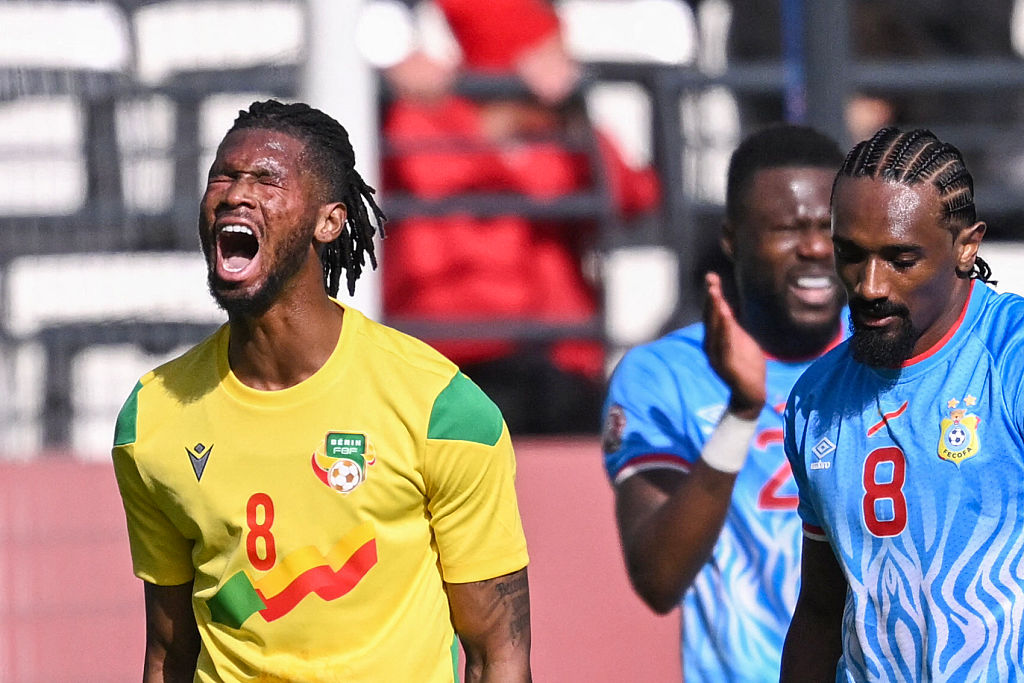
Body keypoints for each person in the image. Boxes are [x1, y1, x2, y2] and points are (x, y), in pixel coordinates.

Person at [111, 100, 531, 682]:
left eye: (265, 179)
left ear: (328, 221)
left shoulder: (439, 407)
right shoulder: (153, 418)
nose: (235, 193)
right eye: (223, 177)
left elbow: (497, 655)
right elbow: (167, 654)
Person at [602, 124, 847, 681]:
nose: (814, 247)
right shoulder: (664, 374)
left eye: (830, 228)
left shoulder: (888, 355)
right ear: (732, 239)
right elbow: (659, 579)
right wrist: (741, 412)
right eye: (788, 228)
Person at [781, 127, 1024, 681]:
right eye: (851, 255)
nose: (869, 286)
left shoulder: (1011, 359)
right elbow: (820, 611)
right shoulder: (816, 401)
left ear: (967, 245)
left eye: (900, 259)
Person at [378, 0, 660, 434]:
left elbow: (631, 196)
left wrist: (573, 114)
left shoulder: (559, 127)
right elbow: (434, 176)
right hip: (450, 354)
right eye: (545, 44)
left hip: (558, 355)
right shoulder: (421, 111)